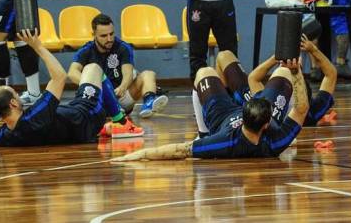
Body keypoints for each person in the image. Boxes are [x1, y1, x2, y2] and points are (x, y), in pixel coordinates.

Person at [0, 29, 143, 147]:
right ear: (13, 103)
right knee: (94, 68)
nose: (18, 95)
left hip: (74, 126)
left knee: (89, 73)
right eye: (15, 94)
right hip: (87, 115)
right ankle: (120, 122)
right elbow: (59, 76)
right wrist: (37, 46)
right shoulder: (37, 114)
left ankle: (109, 128)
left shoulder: (6, 135)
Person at [112, 58, 308, 161]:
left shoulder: (222, 143)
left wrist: (138, 155)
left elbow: (181, 150)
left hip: (222, 117)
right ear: (268, 124)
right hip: (251, 118)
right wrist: (296, 72)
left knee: (204, 72)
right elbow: (301, 109)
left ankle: (203, 132)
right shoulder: (277, 140)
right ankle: (286, 82)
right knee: (284, 72)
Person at [69, 14, 168, 119]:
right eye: (103, 36)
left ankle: (149, 103)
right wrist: (96, 86)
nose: (109, 39)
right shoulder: (86, 50)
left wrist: (123, 87)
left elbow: (128, 73)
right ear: (94, 35)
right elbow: (72, 73)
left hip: (120, 98)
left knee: (148, 74)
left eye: (111, 34)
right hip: (99, 98)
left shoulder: (123, 47)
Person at [249, 35, 337, 127]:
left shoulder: (268, 109)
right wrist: (313, 50)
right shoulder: (312, 113)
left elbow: (253, 79)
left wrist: (276, 58)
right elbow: (331, 74)